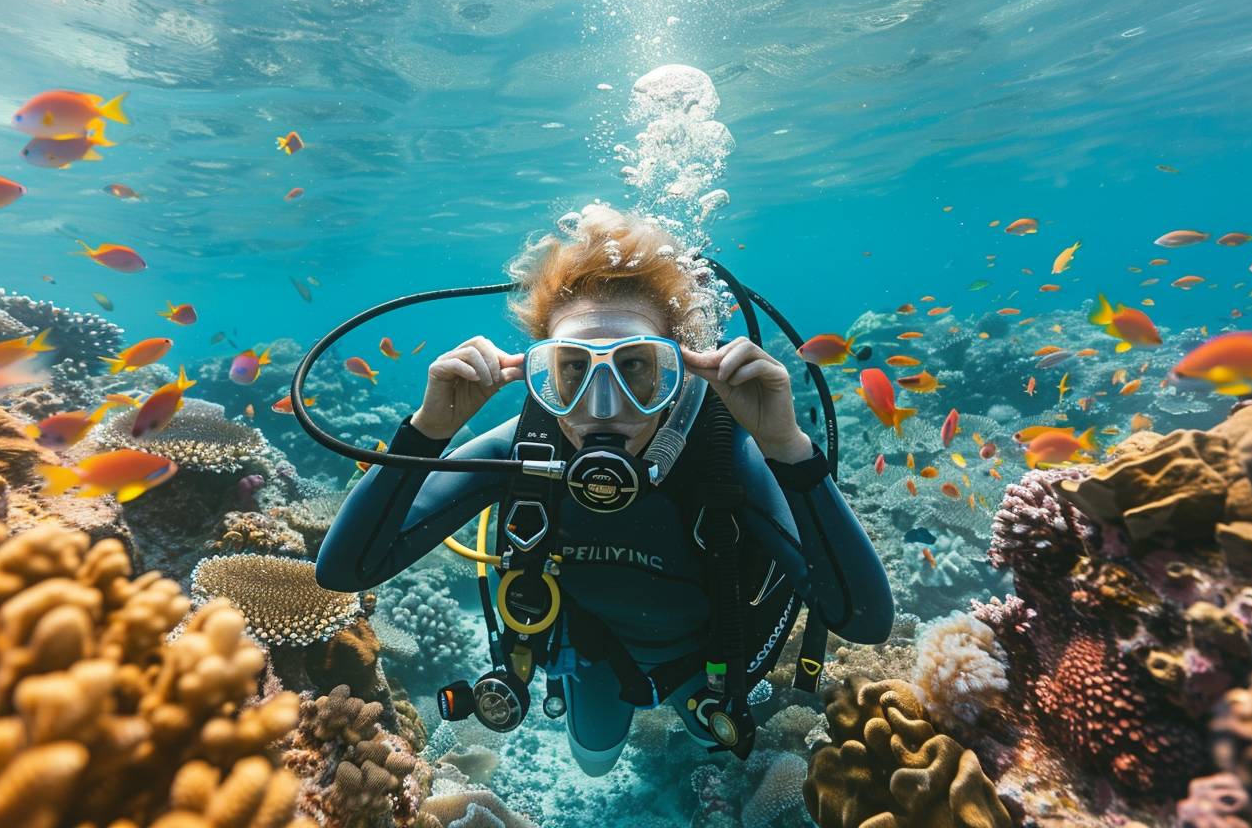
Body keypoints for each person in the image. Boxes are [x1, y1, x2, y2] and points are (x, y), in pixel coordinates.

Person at [316, 204, 893, 776]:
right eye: (572, 368)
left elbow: (864, 620)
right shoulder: (528, 444)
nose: (602, 405)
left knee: (711, 743)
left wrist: (786, 446)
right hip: (591, 656)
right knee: (593, 760)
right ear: (542, 373)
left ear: (680, 369)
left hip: (709, 662)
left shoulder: (722, 452)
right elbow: (345, 569)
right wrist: (427, 431)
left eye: (636, 367)